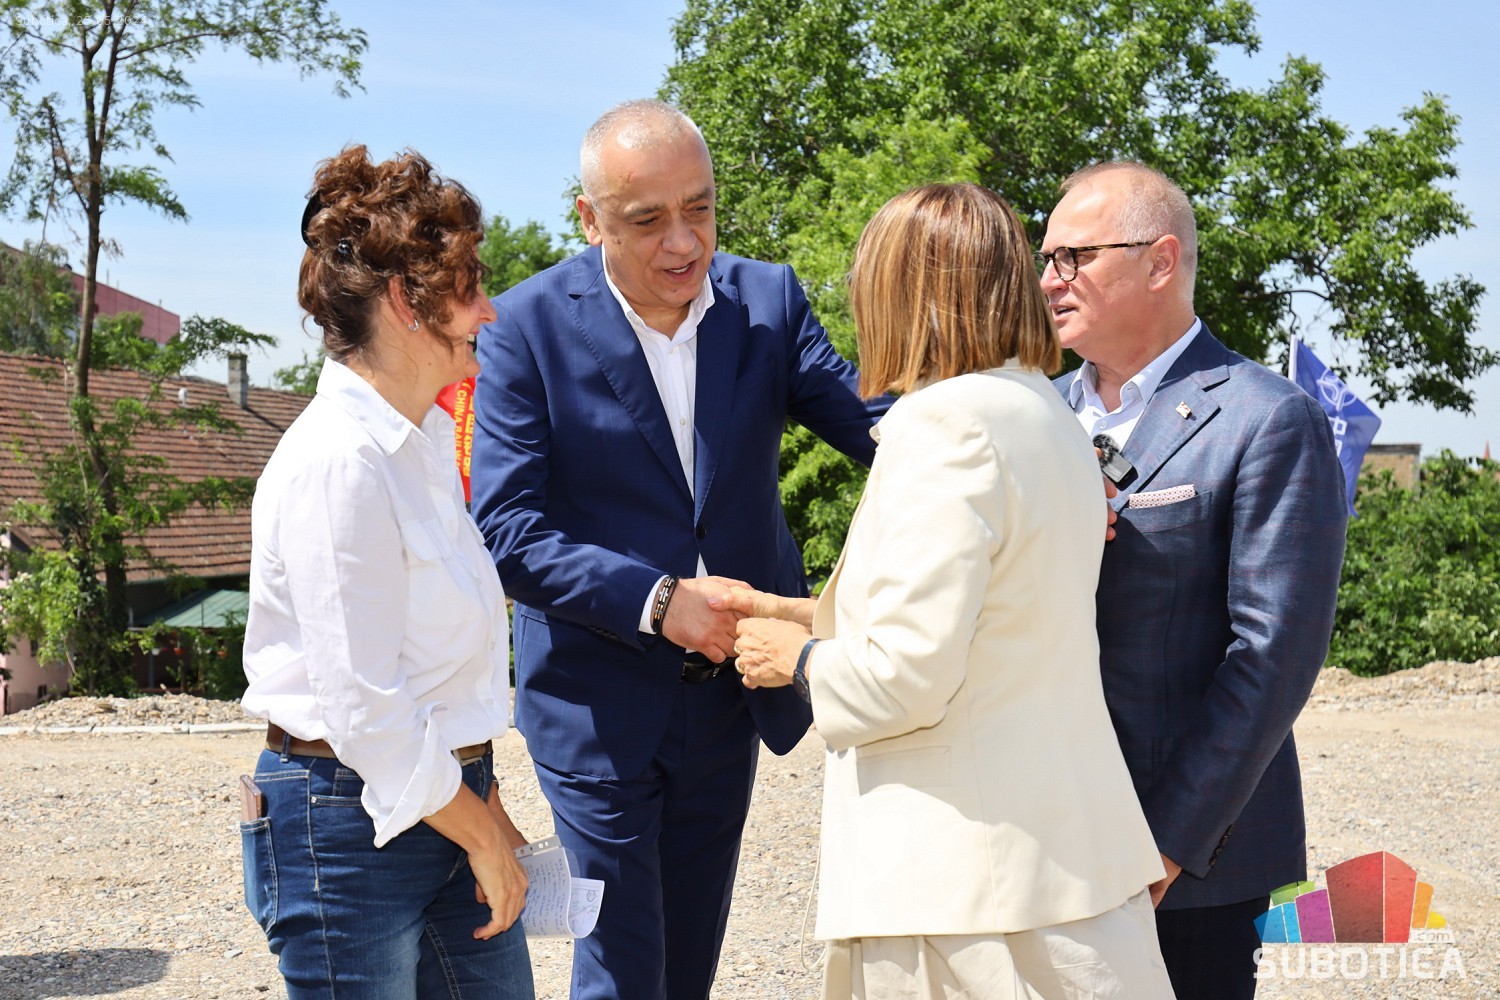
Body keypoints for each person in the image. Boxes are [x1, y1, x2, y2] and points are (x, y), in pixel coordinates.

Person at [466, 99, 889, 1000]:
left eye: (699, 208)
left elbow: (876, 429)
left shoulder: (767, 301)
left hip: (732, 696)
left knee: (688, 963)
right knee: (624, 970)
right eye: (648, 218)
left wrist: (1025, 449)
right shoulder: (523, 327)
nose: (684, 242)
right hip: (595, 700)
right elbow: (506, 529)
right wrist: (659, 602)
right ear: (590, 219)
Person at [729, 182, 1175, 999]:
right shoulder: (1043, 412)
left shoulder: (943, 424)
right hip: (1055, 860)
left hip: (966, 890)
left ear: (904, 295)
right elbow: (1005, 612)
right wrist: (787, 612)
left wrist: (797, 659)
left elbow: (903, 679)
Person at [1040, 161, 1348, 999]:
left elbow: (1271, 654)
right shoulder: (1035, 414)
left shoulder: (1266, 417)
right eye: (1046, 259)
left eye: (1073, 257)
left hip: (1181, 865)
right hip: (1039, 832)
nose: (1050, 280)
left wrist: (1168, 842)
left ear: (1160, 262)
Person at [240, 146, 534, 1000]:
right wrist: (479, 831)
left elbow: (431, 670)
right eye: (469, 286)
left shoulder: (418, 445)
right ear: (408, 300)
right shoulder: (340, 461)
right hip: (344, 823)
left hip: (441, 800)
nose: (487, 309)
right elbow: (362, 703)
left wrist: (485, 802)